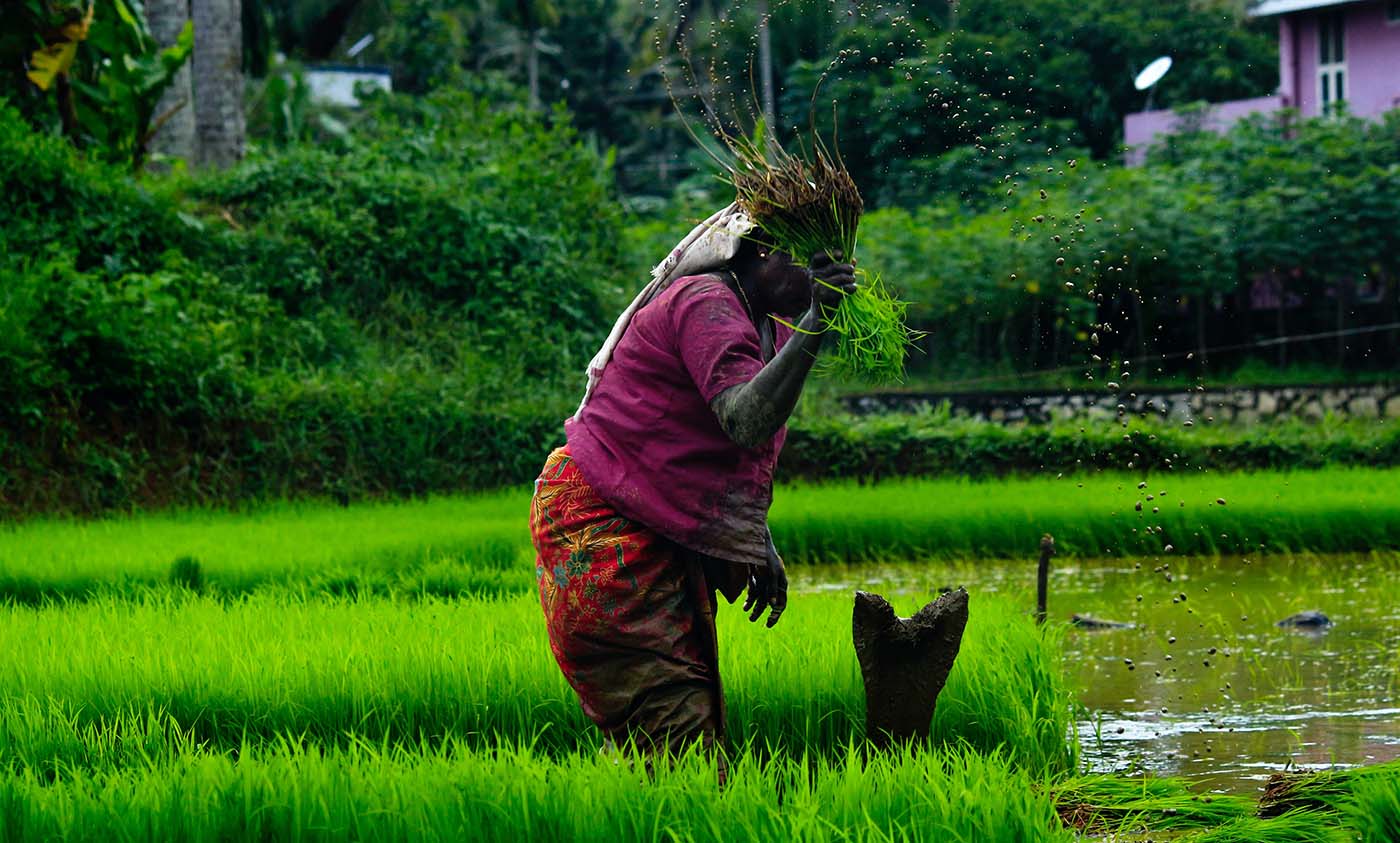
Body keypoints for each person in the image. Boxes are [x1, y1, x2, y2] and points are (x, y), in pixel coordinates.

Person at [529, 204, 857, 773]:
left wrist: (755, 540)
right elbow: (744, 421)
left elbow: (721, 455)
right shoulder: (705, 302)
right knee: (676, 731)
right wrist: (818, 320)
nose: (822, 278)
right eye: (813, 264)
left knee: (665, 733)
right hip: (602, 521)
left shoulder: (768, 322)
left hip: (649, 515)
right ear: (766, 252)